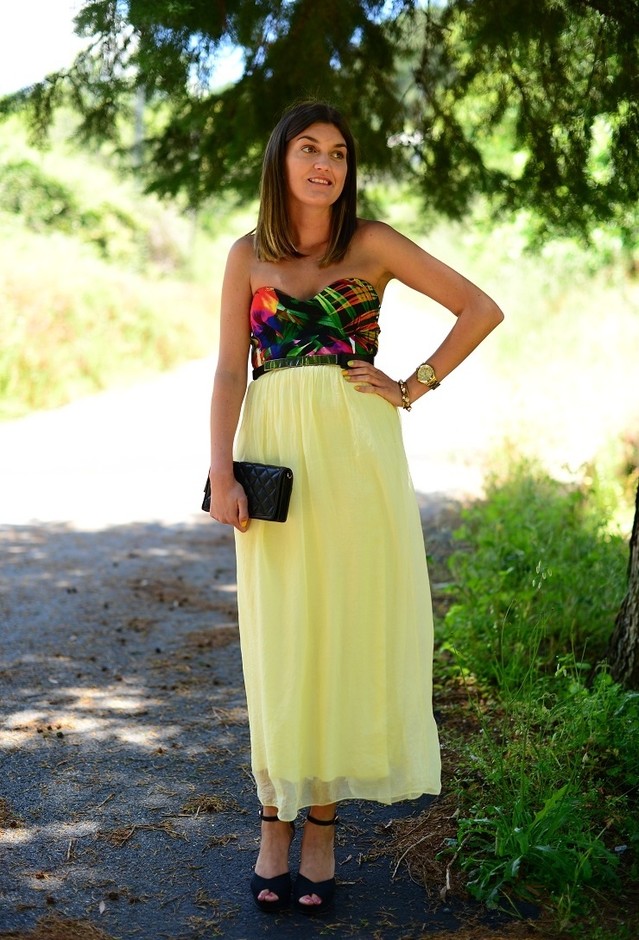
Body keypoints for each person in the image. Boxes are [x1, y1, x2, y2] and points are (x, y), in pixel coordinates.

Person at [207, 99, 504, 915]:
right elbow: (231, 370)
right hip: (273, 459)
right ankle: (273, 819)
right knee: (279, 635)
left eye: (337, 152)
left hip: (358, 458)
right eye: (308, 148)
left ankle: (324, 827)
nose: (324, 164)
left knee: (341, 629)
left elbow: (479, 308)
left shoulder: (369, 243)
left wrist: (412, 384)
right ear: (282, 160)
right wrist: (219, 469)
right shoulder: (246, 254)